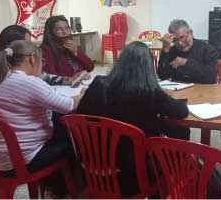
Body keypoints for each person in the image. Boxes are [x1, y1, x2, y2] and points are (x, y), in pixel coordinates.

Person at [76, 41, 190, 197]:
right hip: (133, 172)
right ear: (148, 67)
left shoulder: (99, 83)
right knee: (180, 129)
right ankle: (172, 176)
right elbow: (182, 111)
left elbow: (81, 114)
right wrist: (165, 96)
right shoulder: (150, 92)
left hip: (95, 164)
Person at [0, 40, 85, 197]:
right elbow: (69, 105)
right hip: (23, 161)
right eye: (42, 61)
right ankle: (62, 189)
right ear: (32, 59)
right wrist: (83, 95)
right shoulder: (29, 82)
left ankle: (54, 185)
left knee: (58, 120)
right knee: (74, 138)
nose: (42, 66)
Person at [0, 25, 85, 86]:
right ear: (13, 46)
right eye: (27, 44)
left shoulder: (17, 64)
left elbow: (43, 76)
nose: (31, 47)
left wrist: (67, 80)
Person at [158, 19, 218, 84]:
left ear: (191, 33)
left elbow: (210, 77)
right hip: (179, 92)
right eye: (175, 40)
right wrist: (165, 51)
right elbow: (162, 76)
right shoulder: (172, 50)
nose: (180, 43)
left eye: (182, 37)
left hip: (202, 91)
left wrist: (186, 63)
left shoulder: (207, 49)